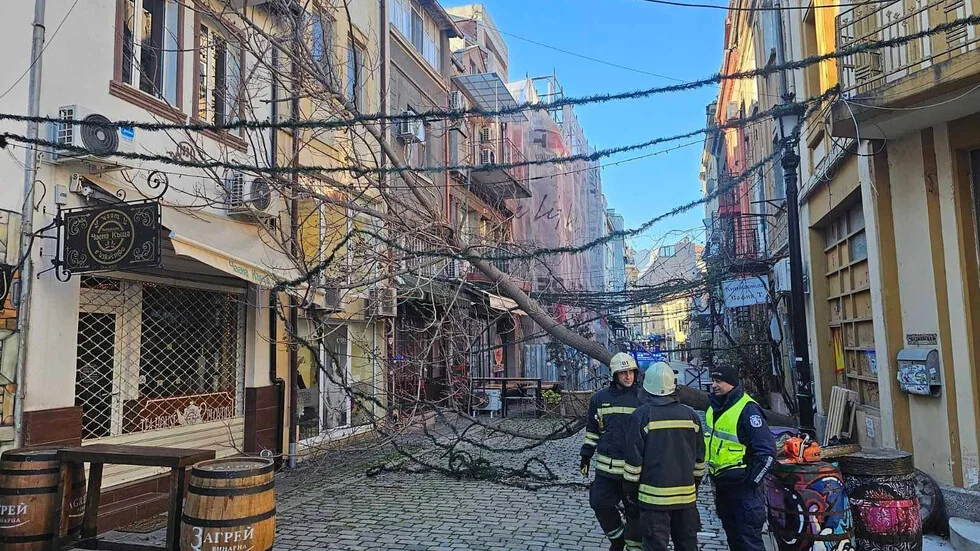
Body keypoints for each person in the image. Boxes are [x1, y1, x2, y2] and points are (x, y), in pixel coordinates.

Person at [623, 361, 705, 551]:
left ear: (647, 387)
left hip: (653, 502)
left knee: (655, 546)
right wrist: (693, 487)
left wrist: (631, 496)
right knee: (687, 545)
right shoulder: (691, 416)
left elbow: (633, 464)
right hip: (686, 500)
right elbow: (699, 461)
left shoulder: (641, 416)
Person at [704, 365, 777, 551]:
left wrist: (752, 481)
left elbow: (767, 451)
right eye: (713, 380)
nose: (714, 385)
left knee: (749, 542)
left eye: (719, 381)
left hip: (743, 489)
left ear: (732, 383)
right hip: (722, 484)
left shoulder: (748, 409)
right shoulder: (714, 407)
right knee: (734, 539)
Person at [580, 352, 643, 551]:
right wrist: (586, 454)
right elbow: (592, 429)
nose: (628, 377)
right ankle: (618, 539)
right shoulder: (599, 399)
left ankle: (634, 546)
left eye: (631, 372)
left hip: (633, 472)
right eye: (623, 373)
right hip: (606, 470)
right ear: (614, 375)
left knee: (634, 513)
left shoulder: (643, 399)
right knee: (599, 502)